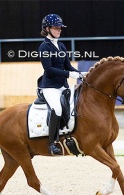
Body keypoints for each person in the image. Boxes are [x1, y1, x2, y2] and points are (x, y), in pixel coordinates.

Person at [37, 14, 84, 155]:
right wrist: (69, 75)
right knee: (56, 109)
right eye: (56, 28)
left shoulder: (62, 46)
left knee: (74, 107)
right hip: (50, 86)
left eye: (60, 28)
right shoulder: (44, 48)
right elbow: (49, 70)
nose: (59, 30)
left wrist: (80, 73)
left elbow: (67, 66)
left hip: (63, 86)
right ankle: (52, 143)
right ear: (47, 28)